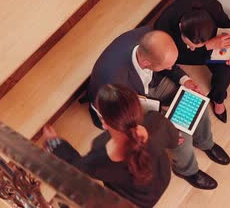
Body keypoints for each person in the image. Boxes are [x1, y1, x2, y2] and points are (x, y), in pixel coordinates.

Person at [86, 27, 229, 190]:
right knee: (180, 135)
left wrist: (185, 81)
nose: (171, 68)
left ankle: (204, 142)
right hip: (121, 109)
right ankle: (186, 170)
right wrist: (166, 127)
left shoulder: (150, 38)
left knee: (196, 103)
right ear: (147, 63)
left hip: (149, 84)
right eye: (166, 66)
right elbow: (122, 121)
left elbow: (169, 64)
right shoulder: (112, 82)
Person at [42, 84, 181, 207]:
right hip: (163, 177)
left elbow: (77, 168)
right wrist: (175, 139)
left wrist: (55, 143)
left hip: (136, 200)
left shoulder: (100, 157)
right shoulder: (156, 122)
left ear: (104, 123)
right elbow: (174, 138)